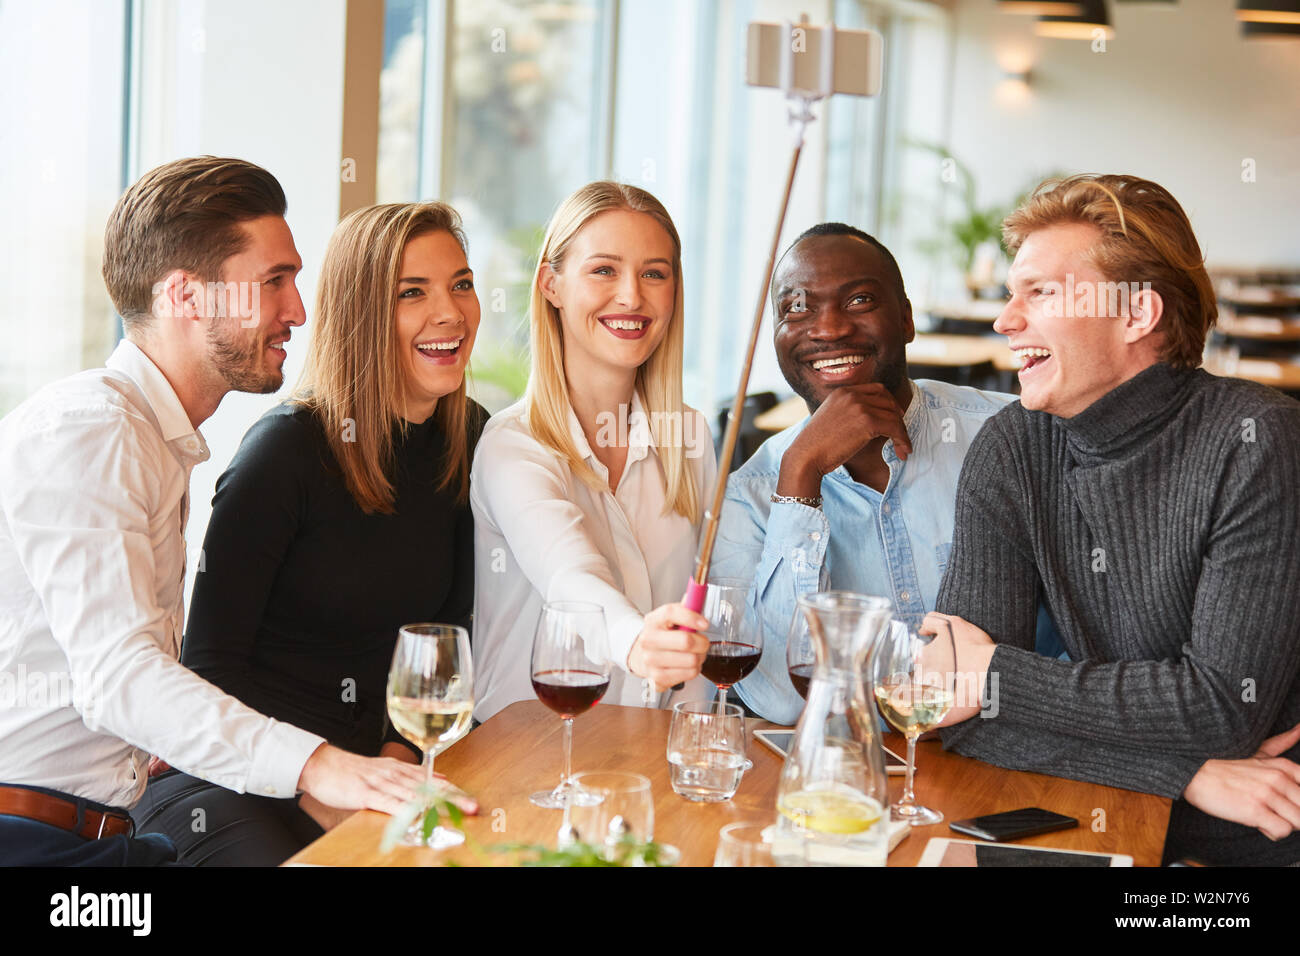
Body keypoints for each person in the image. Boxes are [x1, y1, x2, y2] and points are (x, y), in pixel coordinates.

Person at [0, 157, 425, 866]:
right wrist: (321, 766)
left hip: (101, 833)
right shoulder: (94, 430)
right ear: (186, 296)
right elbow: (119, 679)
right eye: (274, 281)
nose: (299, 310)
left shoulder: (151, 438)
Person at [928, 174, 1300, 866]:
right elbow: (956, 711)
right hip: (1133, 796)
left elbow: (1223, 707)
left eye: (1040, 292)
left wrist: (994, 678)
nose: (1005, 320)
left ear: (1137, 315)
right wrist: (1185, 774)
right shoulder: (1014, 445)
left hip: (1268, 817)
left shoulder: (1257, 439)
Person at [129, 202, 484, 865]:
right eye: (414, 293)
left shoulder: (467, 441)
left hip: (365, 777)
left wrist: (389, 771)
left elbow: (444, 640)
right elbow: (209, 668)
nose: (451, 312)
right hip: (233, 781)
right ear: (362, 312)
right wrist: (325, 797)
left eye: (461, 284)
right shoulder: (286, 453)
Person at [710, 223, 1033, 725]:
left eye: (859, 300)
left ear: (906, 319)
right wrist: (800, 475)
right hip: (851, 780)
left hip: (1007, 768)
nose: (829, 328)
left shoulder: (1010, 436)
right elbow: (780, 699)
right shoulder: (750, 493)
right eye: (796, 308)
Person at [471, 181, 716, 722]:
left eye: (655, 273)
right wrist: (636, 641)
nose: (631, 296)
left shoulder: (689, 435)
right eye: (604, 270)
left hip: (662, 758)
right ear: (551, 285)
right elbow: (569, 577)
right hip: (530, 763)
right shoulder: (514, 445)